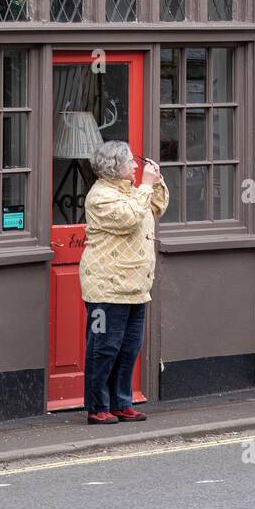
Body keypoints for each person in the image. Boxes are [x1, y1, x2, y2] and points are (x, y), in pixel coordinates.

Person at [79, 140, 168, 424]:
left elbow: (156, 206)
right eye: (130, 162)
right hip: (105, 286)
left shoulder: (131, 191)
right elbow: (130, 218)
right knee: (103, 347)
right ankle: (97, 407)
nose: (135, 166)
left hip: (135, 285)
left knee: (129, 348)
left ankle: (121, 402)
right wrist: (145, 186)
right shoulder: (100, 196)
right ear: (115, 168)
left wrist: (156, 180)